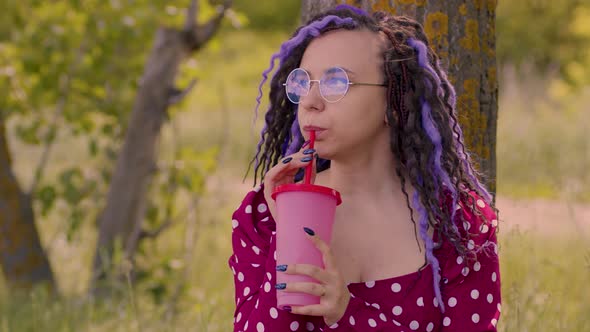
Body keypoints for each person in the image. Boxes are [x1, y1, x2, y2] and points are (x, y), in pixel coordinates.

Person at [229, 4, 501, 331]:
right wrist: (288, 229)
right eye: (303, 82)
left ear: (394, 104)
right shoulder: (263, 214)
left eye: (336, 82)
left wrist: (348, 314)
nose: (311, 102)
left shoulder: (460, 224)